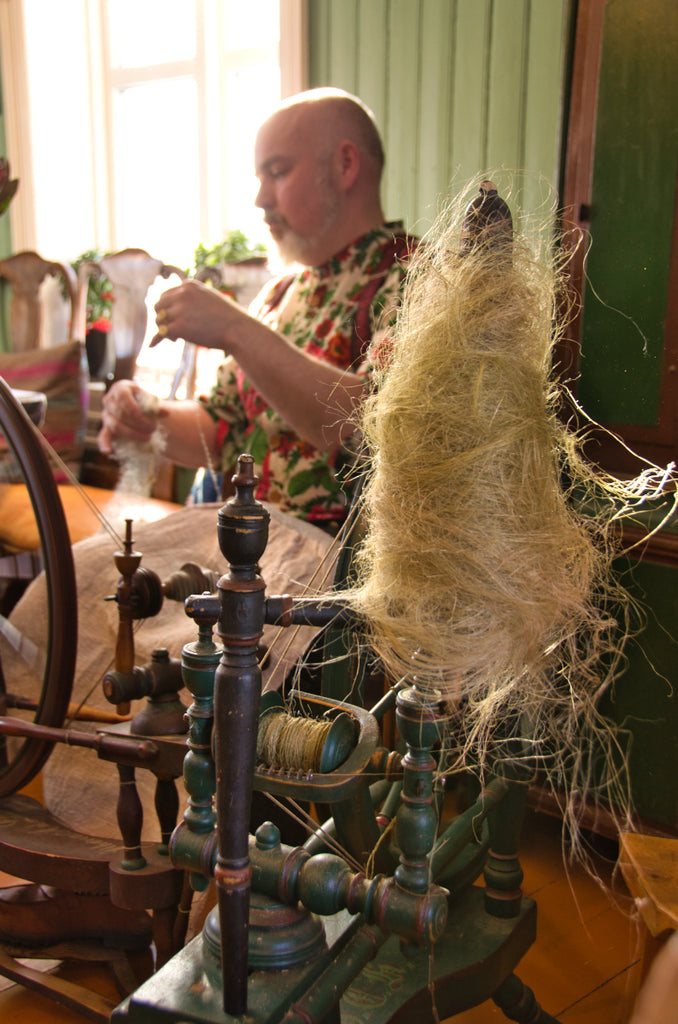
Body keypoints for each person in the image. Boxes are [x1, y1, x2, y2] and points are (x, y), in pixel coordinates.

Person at [98, 87, 417, 527]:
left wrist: (234, 328)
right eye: (259, 178)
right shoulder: (279, 294)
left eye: (278, 172)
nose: (261, 199)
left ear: (345, 165)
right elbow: (219, 429)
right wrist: (144, 417)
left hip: (338, 569)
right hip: (249, 555)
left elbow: (367, 430)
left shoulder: (416, 279)